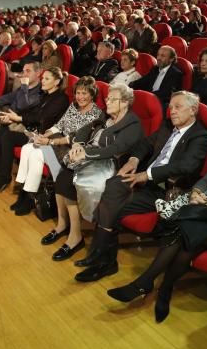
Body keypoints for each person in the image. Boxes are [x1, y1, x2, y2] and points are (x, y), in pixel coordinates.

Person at [107, 113, 207, 321]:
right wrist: (196, 192)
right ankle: (157, 287)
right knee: (182, 234)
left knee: (186, 240)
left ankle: (154, 286)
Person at [74, 91, 207, 282]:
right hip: (144, 180)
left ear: (193, 109)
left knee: (112, 206)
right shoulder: (167, 125)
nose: (172, 111)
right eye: (170, 107)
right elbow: (145, 143)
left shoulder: (200, 135)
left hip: (166, 189)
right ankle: (103, 259)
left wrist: (147, 175)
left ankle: (102, 259)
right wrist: (133, 160)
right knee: (113, 186)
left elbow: (186, 166)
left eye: (177, 107)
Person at [47, 83, 144, 261]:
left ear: (124, 102)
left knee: (67, 178)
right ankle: (63, 226)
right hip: (92, 157)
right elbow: (84, 130)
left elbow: (116, 148)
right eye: (107, 98)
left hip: (110, 163)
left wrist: (86, 153)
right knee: (62, 177)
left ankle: (74, 237)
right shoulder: (107, 116)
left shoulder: (133, 123)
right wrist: (78, 144)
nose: (107, 101)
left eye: (111, 99)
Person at [12, 76, 103, 215]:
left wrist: (49, 142)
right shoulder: (73, 106)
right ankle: (25, 193)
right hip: (56, 142)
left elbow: (77, 139)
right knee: (27, 148)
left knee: (36, 153)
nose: (80, 97)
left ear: (92, 94)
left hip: (70, 150)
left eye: (84, 93)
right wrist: (45, 135)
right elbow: (59, 125)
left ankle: (29, 197)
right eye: (78, 93)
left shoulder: (96, 114)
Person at [0, 67, 69, 192]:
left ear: (56, 82)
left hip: (44, 136)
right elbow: (31, 112)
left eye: (47, 79)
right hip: (32, 129)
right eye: (43, 78)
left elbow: (41, 118)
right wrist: (14, 119)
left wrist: (18, 118)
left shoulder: (61, 99)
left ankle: (4, 177)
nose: (42, 81)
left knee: (8, 136)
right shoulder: (45, 95)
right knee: (2, 131)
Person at [130, 45, 182, 110]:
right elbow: (143, 81)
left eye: (162, 56)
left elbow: (165, 93)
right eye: (158, 55)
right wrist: (130, 86)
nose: (159, 58)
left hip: (161, 103)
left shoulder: (175, 74)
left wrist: (145, 96)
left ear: (171, 59)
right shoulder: (155, 69)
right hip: (148, 99)